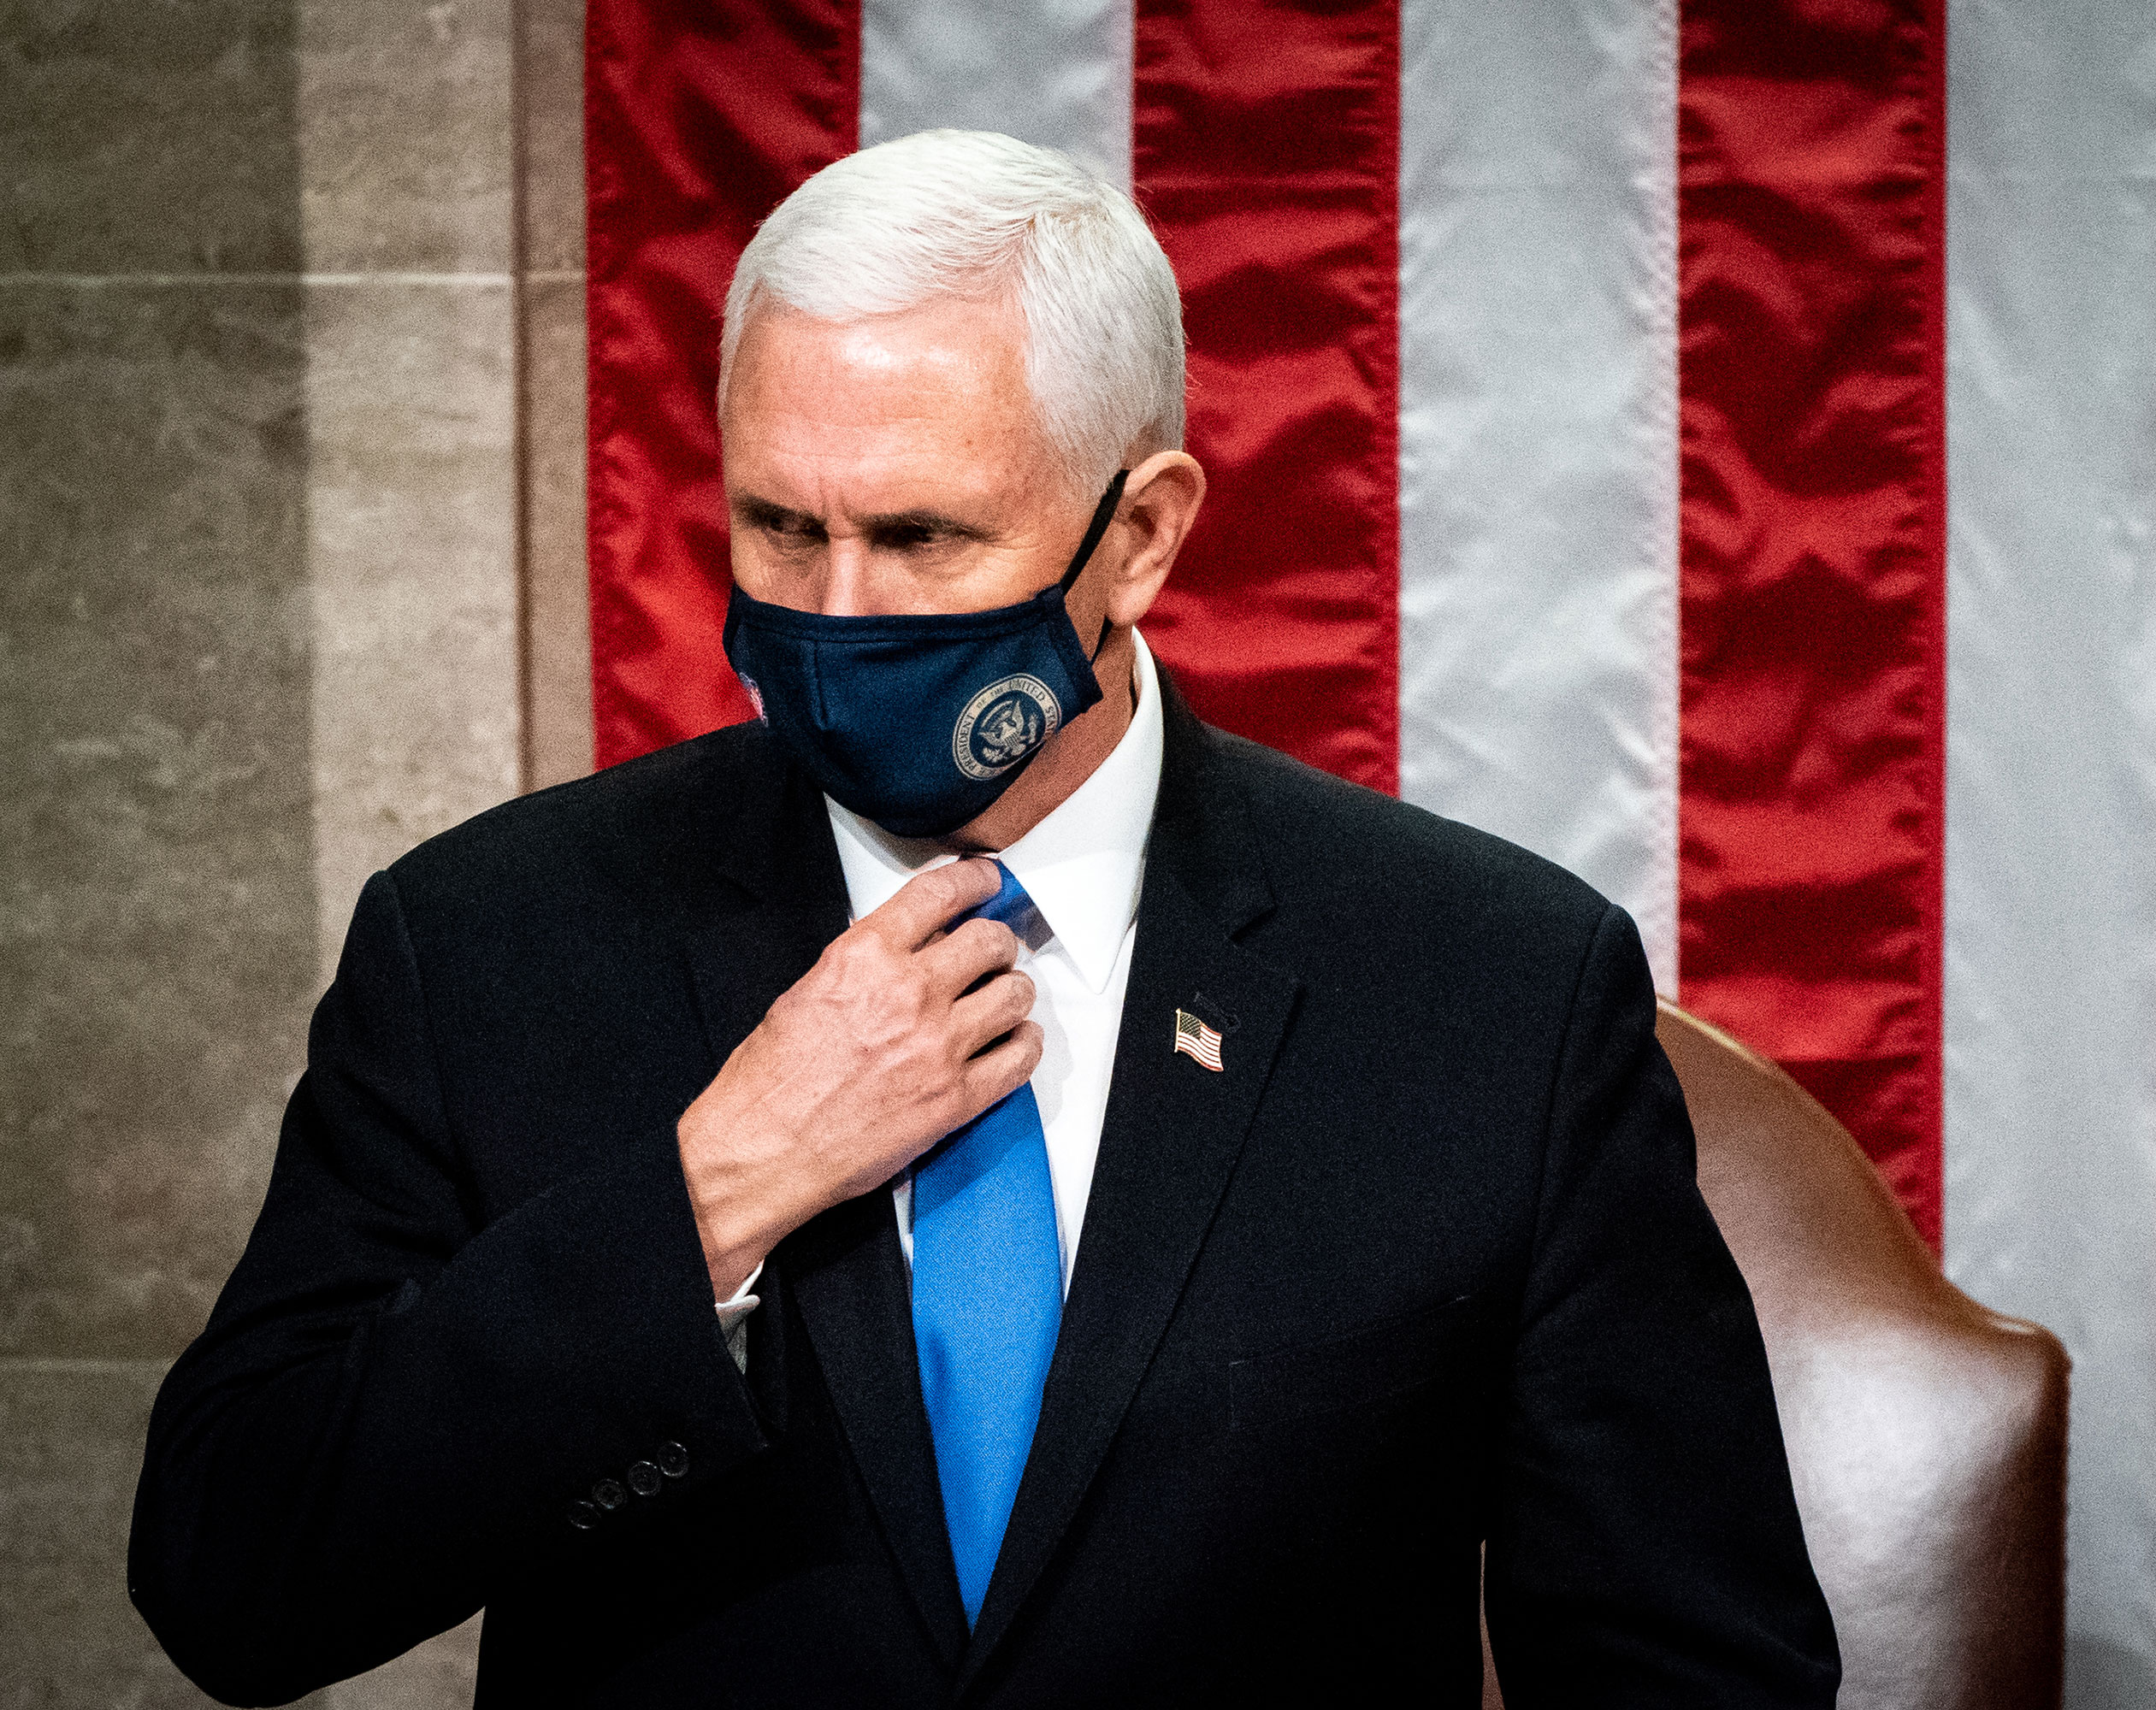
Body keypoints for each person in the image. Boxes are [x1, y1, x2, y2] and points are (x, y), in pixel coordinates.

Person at [128, 129, 1840, 1708]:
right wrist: (716, 1191)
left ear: (1144, 533)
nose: (837, 608)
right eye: (778, 528)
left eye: (924, 535)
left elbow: (1689, 1665)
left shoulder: (1492, 991)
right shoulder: (489, 945)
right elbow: (237, 1578)